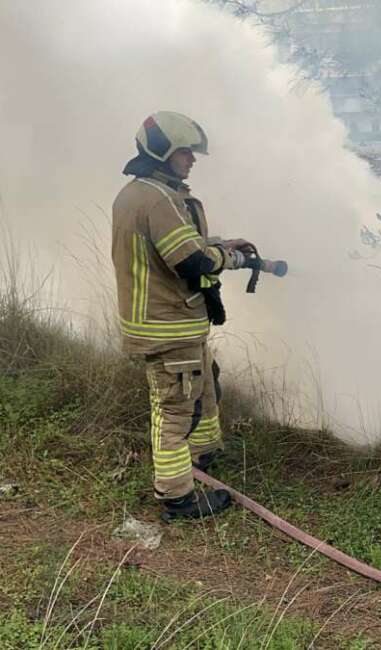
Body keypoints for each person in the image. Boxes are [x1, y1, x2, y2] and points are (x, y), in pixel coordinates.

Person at [111, 111, 251, 521]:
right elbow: (190, 260)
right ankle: (178, 497)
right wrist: (234, 257)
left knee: (205, 389)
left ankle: (203, 457)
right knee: (174, 411)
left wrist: (219, 242)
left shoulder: (142, 194)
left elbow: (176, 245)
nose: (192, 159)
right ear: (163, 152)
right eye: (186, 152)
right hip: (167, 326)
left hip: (173, 324)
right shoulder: (158, 199)